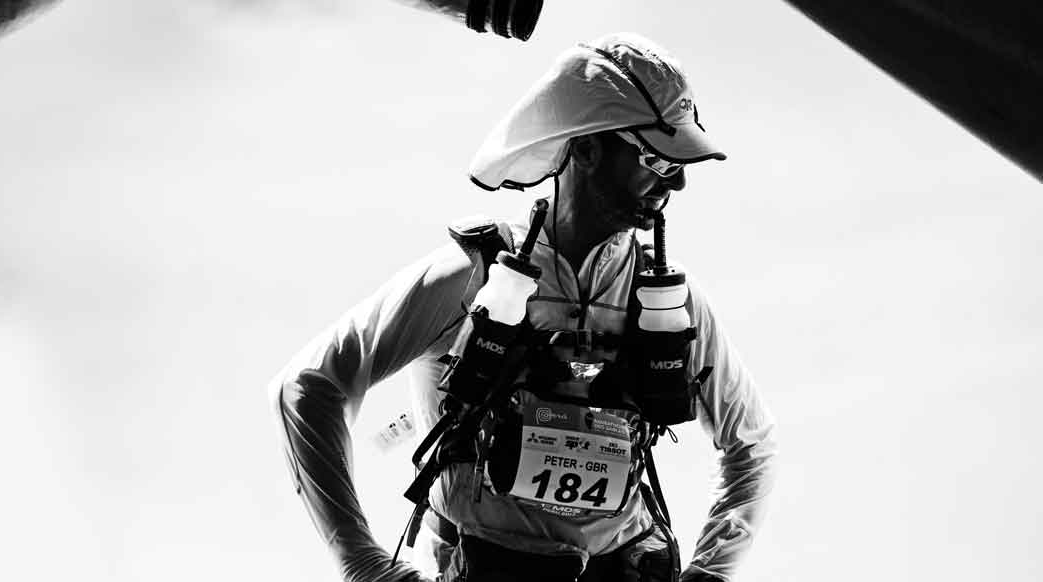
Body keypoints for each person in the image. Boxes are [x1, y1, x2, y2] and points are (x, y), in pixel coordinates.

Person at [269, 32, 777, 582]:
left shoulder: (669, 304)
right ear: (585, 148)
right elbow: (309, 385)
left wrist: (710, 573)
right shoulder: (472, 276)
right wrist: (364, 564)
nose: (675, 180)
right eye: (655, 158)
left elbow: (751, 446)